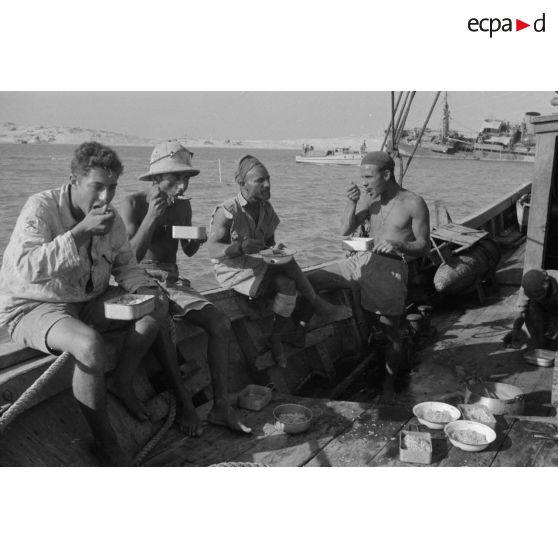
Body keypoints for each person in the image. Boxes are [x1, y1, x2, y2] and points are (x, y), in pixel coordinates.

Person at [0, 142, 201, 464]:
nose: (106, 198)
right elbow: (24, 268)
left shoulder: (111, 220)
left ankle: (123, 381)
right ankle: (107, 441)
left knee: (156, 310)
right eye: (97, 187)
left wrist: (148, 290)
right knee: (89, 345)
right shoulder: (41, 207)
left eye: (112, 188)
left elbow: (127, 267)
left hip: (87, 299)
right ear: (73, 180)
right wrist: (80, 232)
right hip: (34, 305)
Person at [121, 140, 251, 434]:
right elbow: (129, 258)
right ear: (155, 178)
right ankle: (186, 405)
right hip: (141, 278)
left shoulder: (183, 205)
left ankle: (221, 407)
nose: (182, 187)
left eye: (186, 179)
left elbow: (189, 252)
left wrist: (196, 238)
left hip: (173, 278)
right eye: (175, 179)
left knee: (220, 324)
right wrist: (152, 217)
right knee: (163, 325)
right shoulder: (133, 203)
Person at [307, 151, 430, 403]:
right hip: (360, 261)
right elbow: (345, 231)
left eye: (367, 177)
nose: (363, 182)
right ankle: (301, 331)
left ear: (386, 174)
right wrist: (351, 202)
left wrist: (400, 245)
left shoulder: (413, 202)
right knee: (312, 278)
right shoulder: (368, 198)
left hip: (391, 268)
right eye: (361, 177)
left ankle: (388, 383)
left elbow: (424, 245)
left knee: (390, 330)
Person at [207, 154, 352, 368]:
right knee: (291, 265)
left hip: (257, 269)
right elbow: (212, 249)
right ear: (242, 183)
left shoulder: (267, 209)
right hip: (233, 273)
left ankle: (276, 336)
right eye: (260, 181)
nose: (267, 184)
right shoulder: (228, 211)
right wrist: (239, 247)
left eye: (268, 179)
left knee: (289, 283)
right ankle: (318, 304)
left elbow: (268, 245)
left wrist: (275, 249)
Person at [504, 268, 558, 349]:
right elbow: (521, 312)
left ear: (547, 282)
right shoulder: (527, 286)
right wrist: (515, 331)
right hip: (542, 308)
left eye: (542, 296)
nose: (541, 298)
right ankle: (541, 346)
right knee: (532, 311)